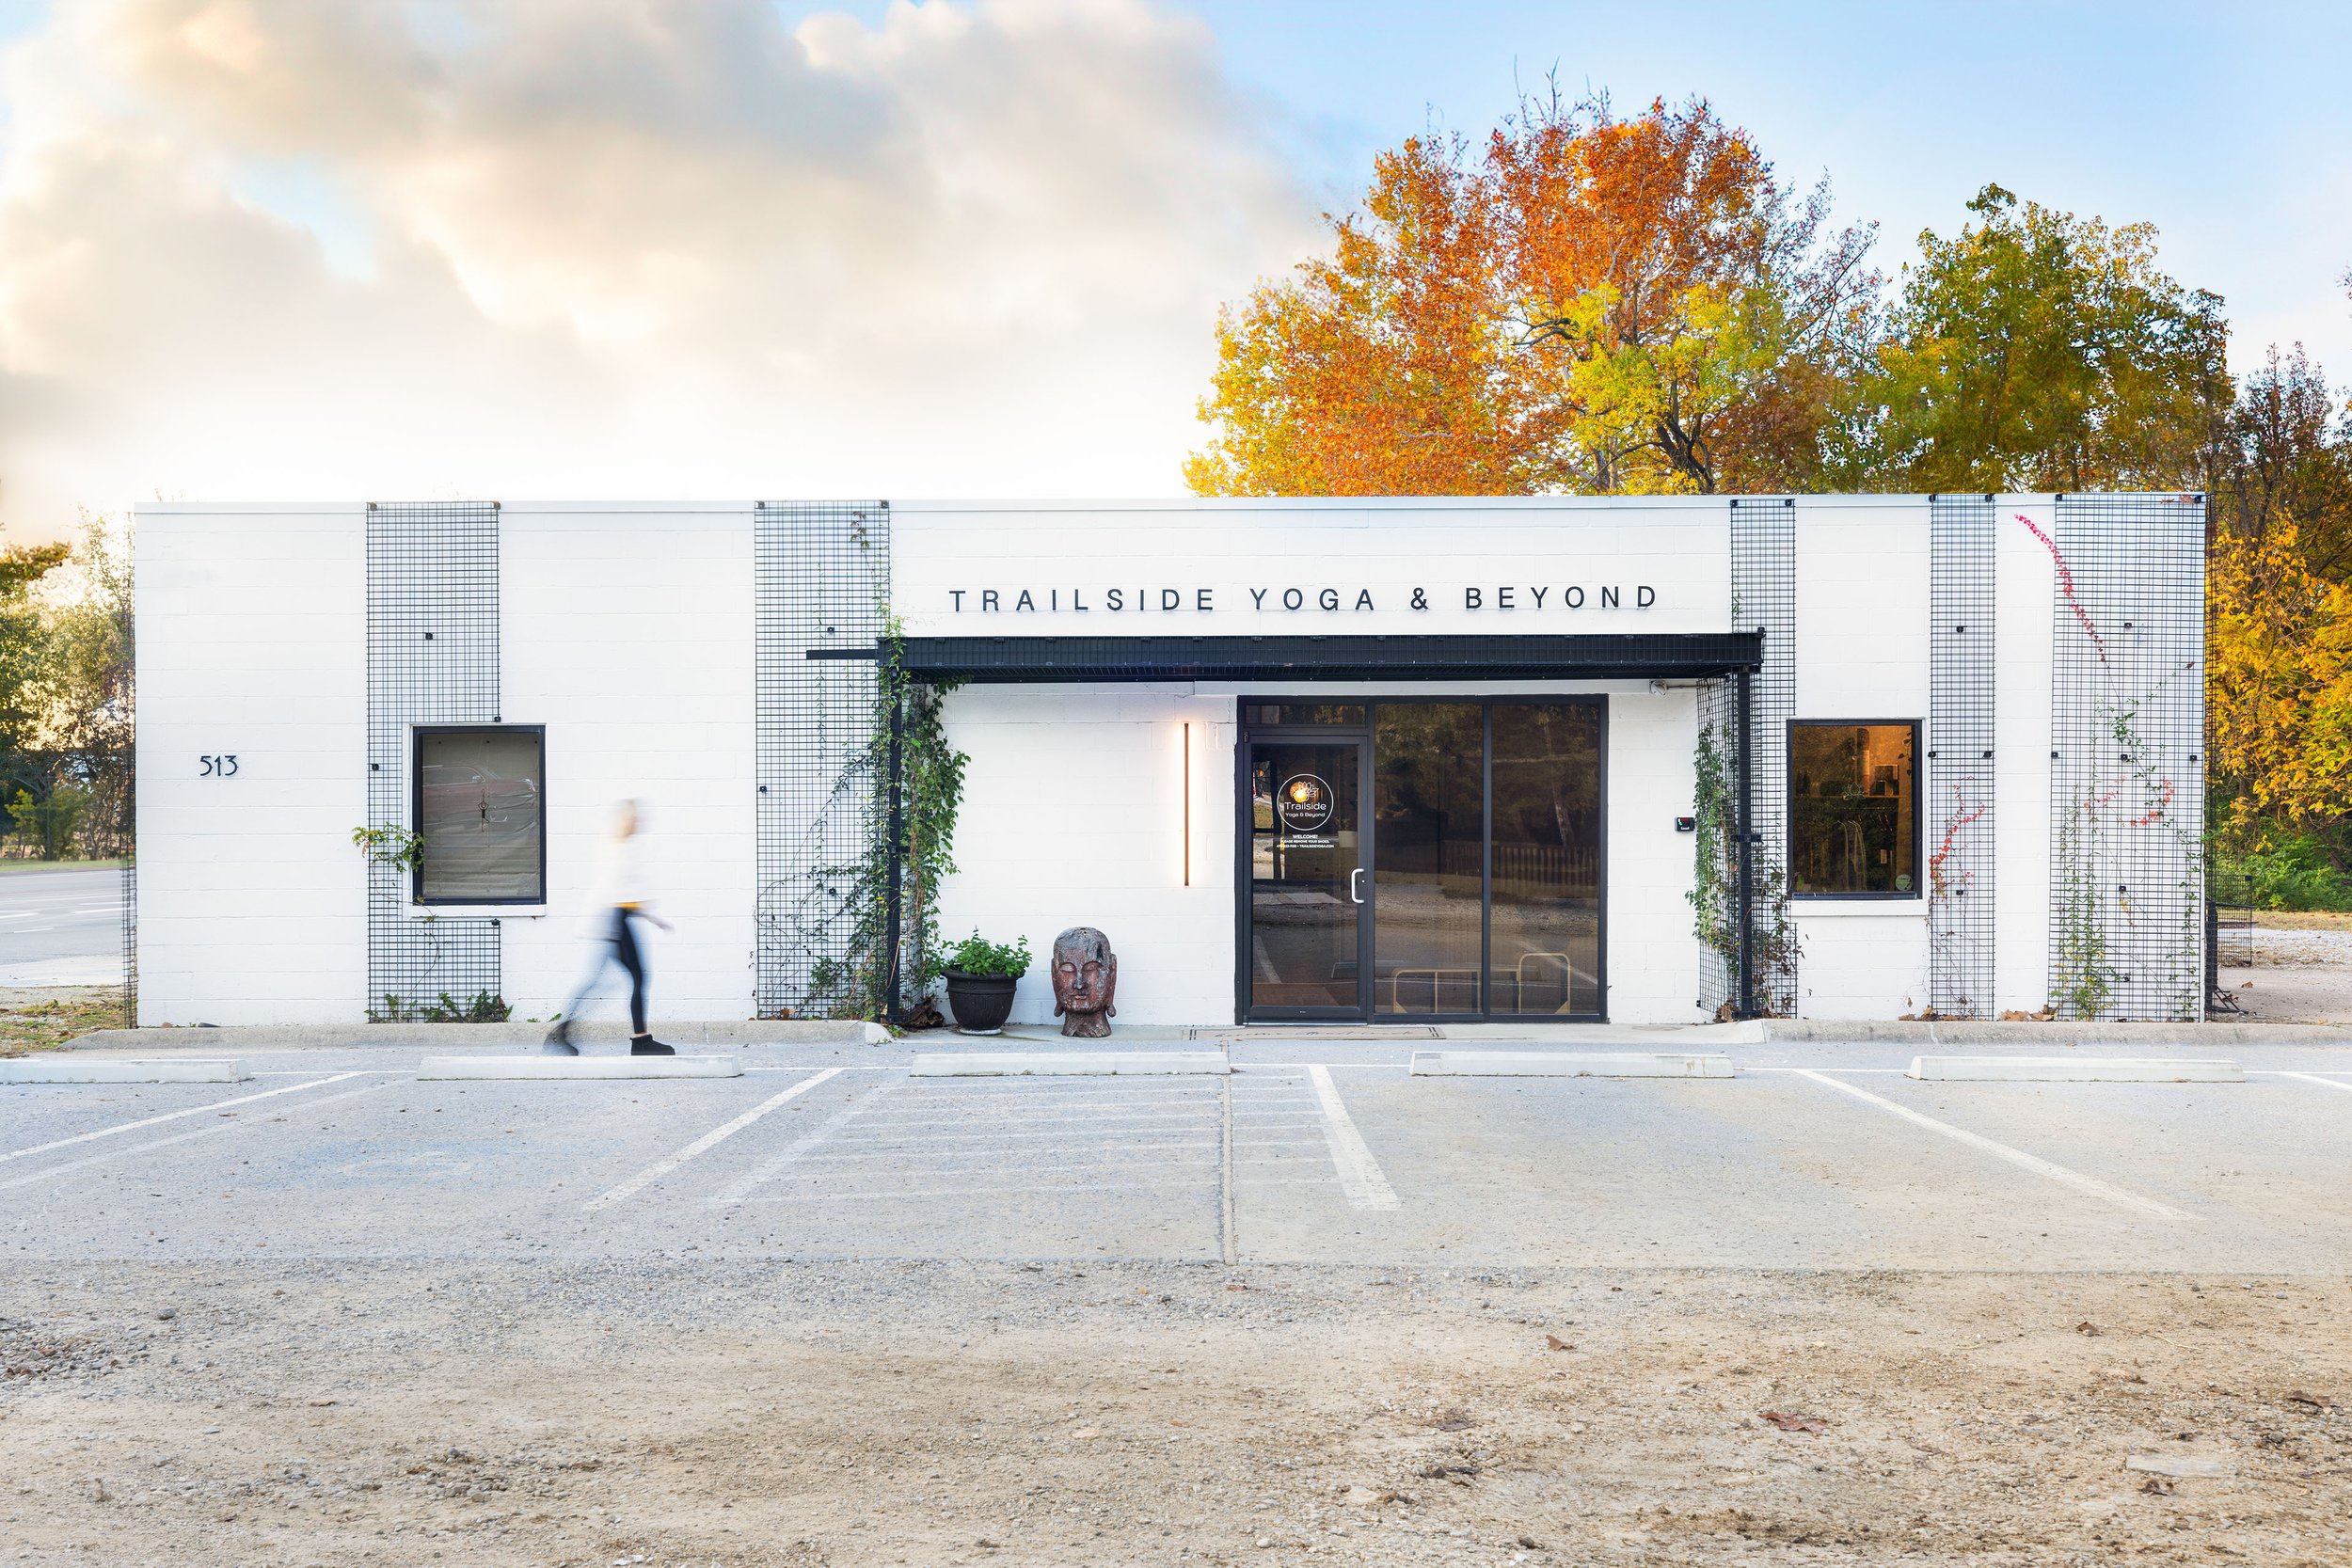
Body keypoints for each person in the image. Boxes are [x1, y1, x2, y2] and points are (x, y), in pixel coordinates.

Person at [545, 800, 674, 1055]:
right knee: (634, 977)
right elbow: (616, 892)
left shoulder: (622, 848)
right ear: (630, 821)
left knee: (604, 980)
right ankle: (640, 1041)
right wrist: (618, 927)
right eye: (637, 818)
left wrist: (651, 916)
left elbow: (627, 892)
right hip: (615, 921)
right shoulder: (621, 850)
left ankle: (562, 1033)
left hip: (617, 920)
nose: (641, 822)